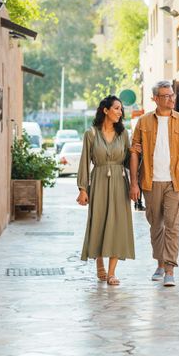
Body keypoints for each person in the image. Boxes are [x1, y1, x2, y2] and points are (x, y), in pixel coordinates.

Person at [130, 81, 179, 287]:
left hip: (174, 182)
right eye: (166, 96)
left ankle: (169, 269)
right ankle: (159, 264)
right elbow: (134, 153)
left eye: (172, 95)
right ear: (155, 99)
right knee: (156, 225)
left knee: (172, 226)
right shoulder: (143, 122)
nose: (171, 99)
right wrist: (134, 183)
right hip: (150, 181)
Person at [77, 96, 135, 286]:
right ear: (105, 110)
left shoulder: (123, 134)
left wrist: (136, 153)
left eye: (121, 109)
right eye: (116, 108)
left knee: (118, 224)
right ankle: (99, 262)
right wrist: (83, 189)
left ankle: (112, 273)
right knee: (99, 222)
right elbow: (84, 162)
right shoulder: (91, 134)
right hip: (99, 181)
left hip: (120, 181)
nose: (120, 112)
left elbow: (128, 162)